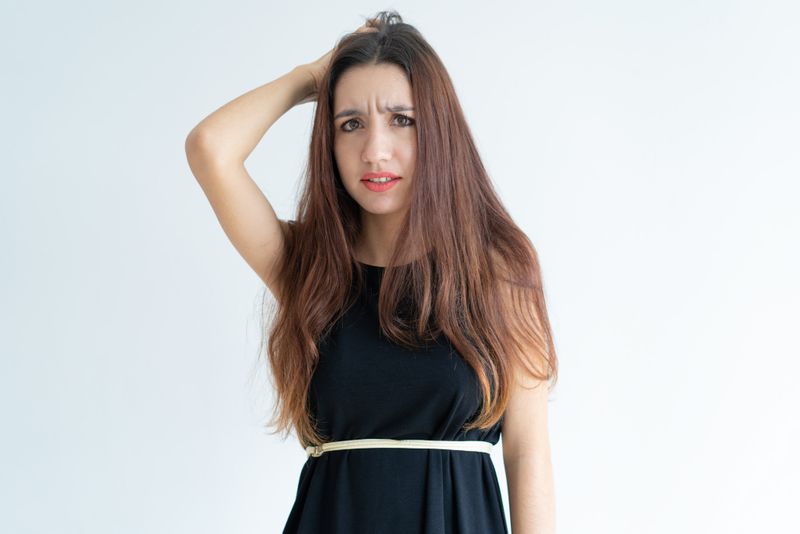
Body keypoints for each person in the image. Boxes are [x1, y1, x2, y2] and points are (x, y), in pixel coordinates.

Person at [185, 10, 557, 534]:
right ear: (329, 143)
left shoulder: (499, 268)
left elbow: (528, 455)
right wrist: (309, 79)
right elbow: (210, 149)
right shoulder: (309, 269)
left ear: (438, 131)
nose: (374, 150)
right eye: (351, 124)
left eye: (401, 120)